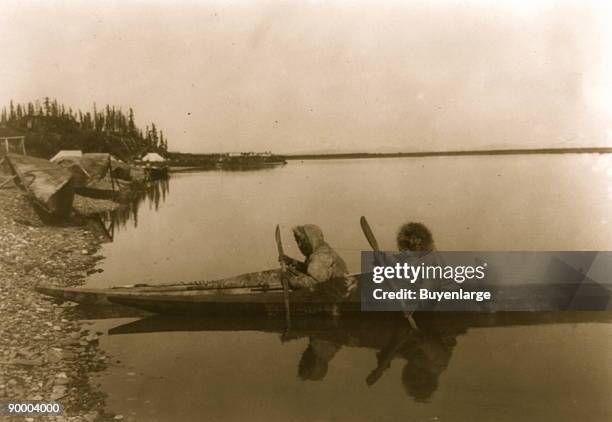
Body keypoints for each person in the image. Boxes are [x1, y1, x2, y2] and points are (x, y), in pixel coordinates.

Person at [280, 224, 348, 290]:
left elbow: (314, 283)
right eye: (297, 242)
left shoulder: (322, 255)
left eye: (302, 241)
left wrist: (291, 281)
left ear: (312, 239)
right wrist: (292, 262)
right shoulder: (318, 251)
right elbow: (310, 270)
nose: (299, 245)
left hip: (337, 295)